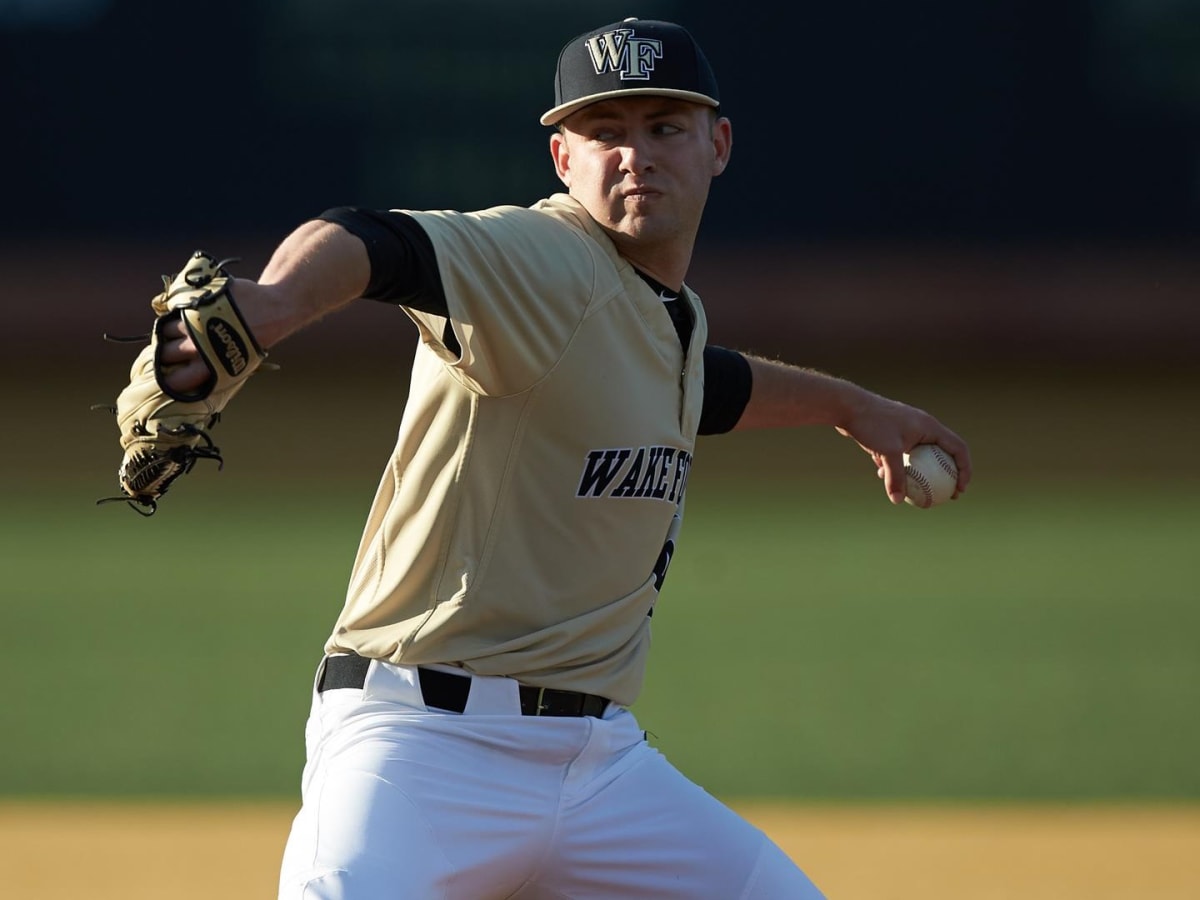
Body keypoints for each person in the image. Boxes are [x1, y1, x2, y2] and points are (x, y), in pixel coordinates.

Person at [151, 17, 971, 899]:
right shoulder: (541, 259)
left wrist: (854, 409)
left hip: (600, 768)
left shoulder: (666, 315)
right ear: (561, 160)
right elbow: (376, 241)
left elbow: (702, 386)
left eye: (664, 128)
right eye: (606, 133)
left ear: (718, 144)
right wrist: (274, 302)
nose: (635, 156)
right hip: (419, 751)